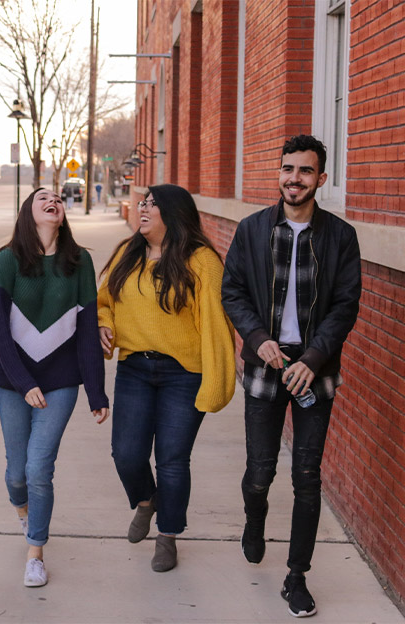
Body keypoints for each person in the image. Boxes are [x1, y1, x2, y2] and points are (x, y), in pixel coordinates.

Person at [222, 135, 361, 618]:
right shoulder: (253, 230)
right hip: (266, 363)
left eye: (304, 171)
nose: (293, 178)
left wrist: (315, 357)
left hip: (313, 369)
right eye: (287, 169)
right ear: (278, 173)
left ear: (320, 179)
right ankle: (254, 519)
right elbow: (233, 291)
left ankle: (296, 577)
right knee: (259, 472)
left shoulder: (340, 236)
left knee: (307, 476)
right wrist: (257, 337)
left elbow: (345, 305)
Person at [98, 184, 235, 572]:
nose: (142, 208)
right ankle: (146, 501)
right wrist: (103, 325)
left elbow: (216, 325)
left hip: (184, 374)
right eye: (142, 202)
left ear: (172, 213)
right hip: (134, 368)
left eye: (152, 204)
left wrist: (216, 382)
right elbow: (104, 301)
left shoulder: (202, 261)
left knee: (172, 460)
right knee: (126, 454)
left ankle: (168, 535)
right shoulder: (128, 253)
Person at [0, 188, 109, 587]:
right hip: (12, 382)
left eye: (58, 197)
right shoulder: (7, 260)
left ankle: (35, 551)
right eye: (42, 197)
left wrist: (96, 391)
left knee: (39, 469)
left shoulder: (80, 262)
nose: (52, 200)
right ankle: (25, 512)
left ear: (62, 214)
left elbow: (89, 332)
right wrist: (23, 384)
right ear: (29, 212)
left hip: (60, 383)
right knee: (16, 474)